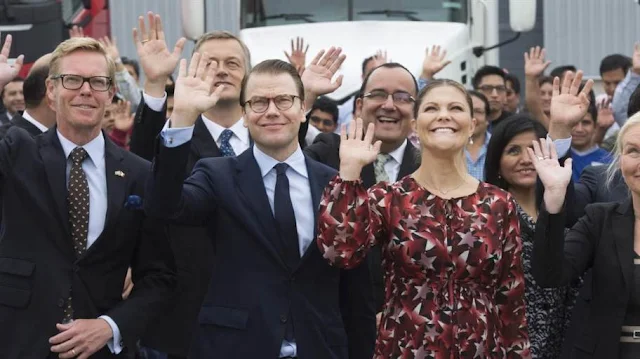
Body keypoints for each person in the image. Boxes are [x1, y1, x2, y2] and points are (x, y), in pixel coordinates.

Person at [130, 13, 373, 359]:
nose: (271, 111)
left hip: (320, 346)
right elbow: (162, 206)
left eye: (284, 101)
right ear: (245, 113)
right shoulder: (216, 175)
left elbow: (355, 287)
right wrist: (182, 116)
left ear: (303, 108)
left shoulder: (334, 182)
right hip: (235, 346)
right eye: (258, 103)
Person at [316, 79, 530, 357]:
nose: (444, 115)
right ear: (415, 126)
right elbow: (339, 252)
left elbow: (510, 299)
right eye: (432, 108)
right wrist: (349, 172)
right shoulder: (389, 198)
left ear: (472, 125)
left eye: (455, 108)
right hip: (406, 348)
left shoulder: (498, 203)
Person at [0, 35, 176, 358]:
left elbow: (159, 276)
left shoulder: (137, 174)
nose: (85, 90)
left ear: (111, 93)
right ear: (51, 92)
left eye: (97, 81)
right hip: (21, 344)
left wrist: (111, 326)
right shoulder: (17, 153)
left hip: (103, 350)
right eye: (72, 80)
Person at [305, 62, 421, 314]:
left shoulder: (429, 167)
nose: (389, 105)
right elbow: (284, 160)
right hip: (338, 316)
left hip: (411, 325)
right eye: (378, 95)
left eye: (402, 97)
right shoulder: (328, 151)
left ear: (415, 112)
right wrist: (305, 101)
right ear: (359, 106)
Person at [531, 112, 640, 358]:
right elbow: (550, 274)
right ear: (620, 161)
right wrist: (554, 198)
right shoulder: (599, 220)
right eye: (633, 151)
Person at [484, 114, 580, 358]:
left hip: (565, 342)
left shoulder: (568, 211)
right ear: (496, 162)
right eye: (513, 150)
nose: (526, 159)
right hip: (505, 344)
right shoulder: (486, 218)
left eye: (534, 149)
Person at [0, 53, 55, 137]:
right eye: (72, 80)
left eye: (21, 93)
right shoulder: (7, 141)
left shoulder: (70, 139)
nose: (18, 98)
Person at [465, 90, 491, 180]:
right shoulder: (446, 148)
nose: (472, 117)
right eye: (467, 111)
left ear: (487, 119)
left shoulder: (499, 146)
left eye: (478, 111)